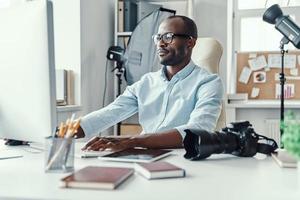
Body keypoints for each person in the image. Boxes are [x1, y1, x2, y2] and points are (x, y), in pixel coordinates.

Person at [77, 15, 224, 151]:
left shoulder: (208, 83)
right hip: (145, 156)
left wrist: (132, 141)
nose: (160, 43)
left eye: (168, 37)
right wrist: (68, 131)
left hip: (183, 157)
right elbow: (111, 112)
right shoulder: (146, 83)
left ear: (190, 42)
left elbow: (198, 130)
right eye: (158, 37)